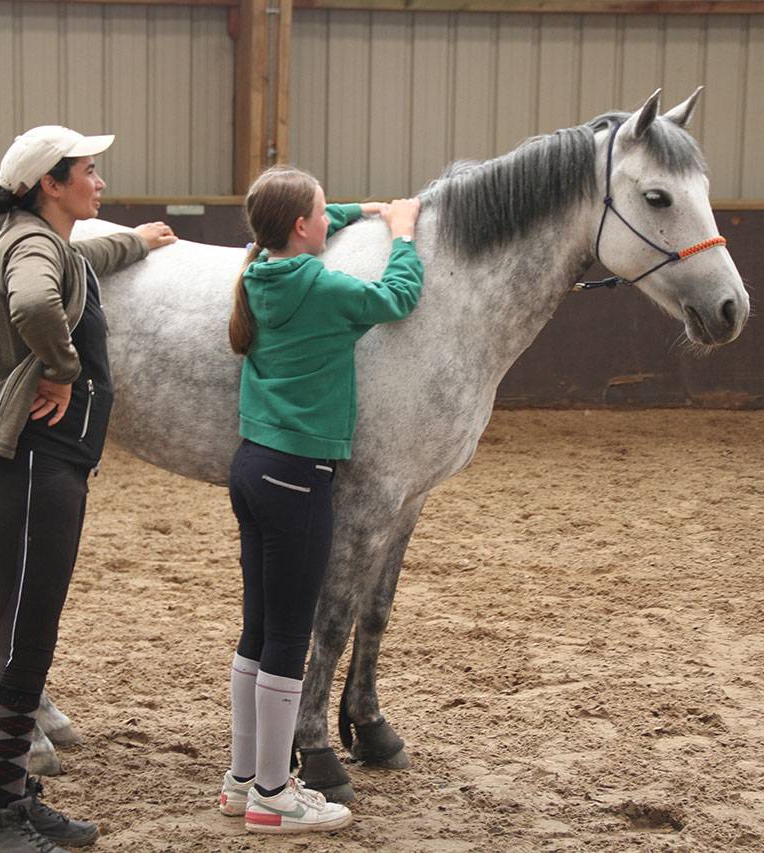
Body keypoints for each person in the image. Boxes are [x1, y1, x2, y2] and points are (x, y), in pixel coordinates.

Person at [0, 125, 176, 853]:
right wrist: (61, 367)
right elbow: (35, 304)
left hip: (43, 462)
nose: (99, 181)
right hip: (30, 461)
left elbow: (84, 260)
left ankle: (18, 801)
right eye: (88, 170)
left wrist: (138, 241)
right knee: (24, 641)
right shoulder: (33, 249)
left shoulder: (47, 241)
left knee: (28, 634)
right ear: (50, 184)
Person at [219, 165, 424, 834]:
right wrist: (402, 233)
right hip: (296, 475)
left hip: (253, 466)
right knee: (288, 637)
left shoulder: (259, 270)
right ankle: (274, 794)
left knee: (257, 630)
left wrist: (357, 209)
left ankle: (242, 779)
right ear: (303, 226)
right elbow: (398, 297)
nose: (328, 215)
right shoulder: (324, 288)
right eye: (322, 209)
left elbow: (304, 218)